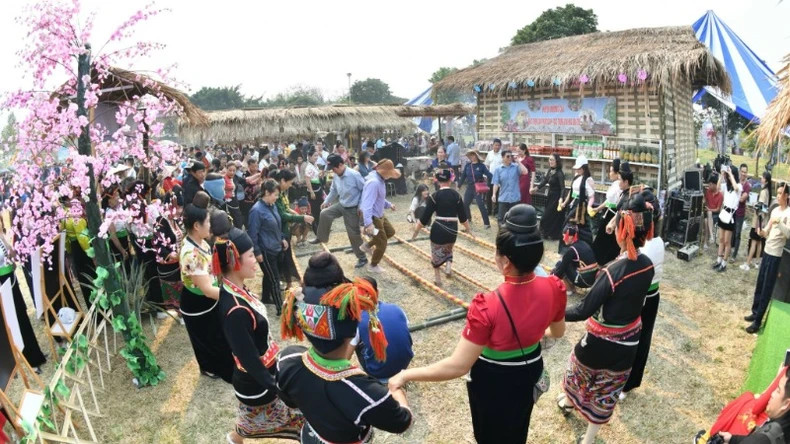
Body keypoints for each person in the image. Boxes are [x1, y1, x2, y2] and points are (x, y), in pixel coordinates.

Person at [390, 204, 566, 443]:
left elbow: (458, 366)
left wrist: (406, 375)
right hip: (530, 369)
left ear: (505, 262)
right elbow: (558, 331)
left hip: (494, 380)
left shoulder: (487, 306)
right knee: (518, 423)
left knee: (490, 432)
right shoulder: (555, 287)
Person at [279, 253, 413, 443]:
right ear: (353, 326)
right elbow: (402, 422)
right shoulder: (366, 392)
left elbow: (289, 401)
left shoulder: (286, 360)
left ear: (303, 324)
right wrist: (398, 392)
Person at [558, 194, 655, 444]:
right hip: (630, 342)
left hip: (601, 342)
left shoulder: (613, 271)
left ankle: (569, 402)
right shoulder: (647, 265)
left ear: (623, 230)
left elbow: (584, 309)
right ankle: (589, 438)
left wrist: (555, 313)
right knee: (608, 389)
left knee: (578, 371)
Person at [214, 229, 305, 443]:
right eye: (250, 255)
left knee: (252, 423)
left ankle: (235, 438)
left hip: (262, 376)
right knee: (302, 420)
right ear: (234, 262)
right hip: (259, 385)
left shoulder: (236, 291)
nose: (256, 259)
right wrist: (279, 388)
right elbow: (249, 360)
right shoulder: (235, 310)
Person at [179, 203, 234, 382]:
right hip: (198, 301)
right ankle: (208, 368)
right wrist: (234, 294)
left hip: (208, 297)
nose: (211, 225)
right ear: (197, 225)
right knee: (205, 338)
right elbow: (207, 290)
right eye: (208, 222)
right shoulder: (191, 255)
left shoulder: (201, 242)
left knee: (216, 334)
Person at [621, 188, 664, 399]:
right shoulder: (659, 242)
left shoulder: (643, 251)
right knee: (642, 339)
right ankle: (629, 382)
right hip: (652, 297)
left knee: (632, 340)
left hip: (641, 297)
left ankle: (625, 383)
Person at [0, 216, 46, 372]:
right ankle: (28, 361)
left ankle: (36, 355)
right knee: (14, 322)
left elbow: (12, 256)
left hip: (11, 279)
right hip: (2, 284)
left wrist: (3, 238)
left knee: (22, 316)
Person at [411, 167, 471, 287]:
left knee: (436, 252)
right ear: (450, 180)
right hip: (452, 228)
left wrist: (416, 231)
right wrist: (469, 230)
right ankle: (448, 266)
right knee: (448, 248)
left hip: (438, 227)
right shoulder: (456, 195)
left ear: (438, 181)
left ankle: (438, 278)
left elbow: (424, 217)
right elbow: (463, 217)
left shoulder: (434, 196)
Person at [744, 182, 790, 334]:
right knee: (760, 283)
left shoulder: (788, 213)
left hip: (775, 255)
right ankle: (755, 312)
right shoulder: (775, 210)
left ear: (787, 196)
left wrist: (779, 223)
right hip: (767, 251)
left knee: (767, 288)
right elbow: (767, 231)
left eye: (781, 193)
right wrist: (761, 232)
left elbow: (788, 234)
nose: (778, 196)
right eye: (777, 193)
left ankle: (758, 322)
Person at [311, 154, 368, 269]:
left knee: (353, 234)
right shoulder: (336, 176)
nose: (333, 171)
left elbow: (365, 190)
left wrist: (361, 206)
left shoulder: (354, 175)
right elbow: (333, 190)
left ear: (341, 165)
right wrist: (327, 201)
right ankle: (321, 237)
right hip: (342, 204)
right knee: (325, 213)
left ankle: (362, 257)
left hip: (353, 208)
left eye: (334, 168)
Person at [353, 277, 413, 382]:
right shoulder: (396, 308)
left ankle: (373, 374)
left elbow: (346, 355)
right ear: (377, 292)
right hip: (404, 366)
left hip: (378, 372)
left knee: (355, 340)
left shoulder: (357, 320)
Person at [713, 366, 790, 444]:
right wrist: (732, 439)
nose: (772, 394)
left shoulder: (764, 438)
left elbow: (757, 408)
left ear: (786, 404)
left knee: (746, 399)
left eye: (778, 390)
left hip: (759, 426)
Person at [248, 180, 287, 316]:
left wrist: (282, 238)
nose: (277, 197)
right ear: (266, 193)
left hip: (276, 247)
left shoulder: (272, 206)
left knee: (269, 275)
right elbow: (252, 234)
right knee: (275, 279)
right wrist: (257, 252)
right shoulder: (256, 211)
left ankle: (265, 298)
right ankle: (281, 309)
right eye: (275, 194)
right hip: (266, 250)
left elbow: (277, 224)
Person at [273, 170, 314, 287]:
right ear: (282, 181)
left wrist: (295, 213)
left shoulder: (282, 192)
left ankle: (288, 281)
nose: (291, 185)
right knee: (283, 258)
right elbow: (282, 215)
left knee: (287, 257)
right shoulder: (275, 195)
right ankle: (283, 281)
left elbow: (285, 208)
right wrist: (302, 218)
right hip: (279, 230)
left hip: (285, 229)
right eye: (290, 182)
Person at [359, 159, 400, 273]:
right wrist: (368, 223)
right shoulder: (374, 182)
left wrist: (389, 204)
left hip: (380, 215)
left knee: (390, 232)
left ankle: (367, 245)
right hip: (374, 218)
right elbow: (366, 204)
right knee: (382, 242)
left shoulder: (380, 180)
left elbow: (380, 198)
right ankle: (373, 265)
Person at [153, 187, 184, 310]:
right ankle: (175, 310)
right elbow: (157, 244)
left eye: (181, 207)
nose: (180, 210)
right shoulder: (160, 222)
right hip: (168, 264)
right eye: (178, 207)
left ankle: (182, 310)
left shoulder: (176, 220)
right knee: (172, 290)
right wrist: (169, 254)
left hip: (179, 262)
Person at [590, 159, 624, 265]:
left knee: (608, 240)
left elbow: (617, 204)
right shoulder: (615, 184)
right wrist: (598, 209)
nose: (609, 174)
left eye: (611, 171)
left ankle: (604, 261)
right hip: (609, 212)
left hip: (614, 215)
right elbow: (609, 201)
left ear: (617, 173)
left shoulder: (620, 186)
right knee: (603, 239)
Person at [558, 155, 595, 252]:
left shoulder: (588, 180)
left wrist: (589, 207)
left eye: (579, 168)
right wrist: (565, 203)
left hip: (581, 206)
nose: (577, 170)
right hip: (572, 204)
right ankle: (567, 248)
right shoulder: (576, 177)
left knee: (578, 226)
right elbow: (571, 192)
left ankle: (581, 248)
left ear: (584, 168)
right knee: (569, 225)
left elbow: (591, 196)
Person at [63, 198, 95, 307]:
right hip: (83, 249)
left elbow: (65, 237)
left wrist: (69, 250)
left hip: (74, 248)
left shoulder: (65, 215)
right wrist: (92, 254)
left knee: (82, 278)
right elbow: (82, 238)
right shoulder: (76, 217)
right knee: (90, 275)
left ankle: (90, 304)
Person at [552, 223, 599, 295]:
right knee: (566, 262)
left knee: (560, 264)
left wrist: (552, 276)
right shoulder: (584, 243)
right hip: (593, 279)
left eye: (564, 236)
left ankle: (569, 290)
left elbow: (560, 269)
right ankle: (572, 287)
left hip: (584, 281)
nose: (563, 239)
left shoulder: (572, 250)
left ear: (570, 237)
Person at [741, 172, 772, 271]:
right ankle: (757, 262)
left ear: (766, 180)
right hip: (763, 221)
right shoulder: (768, 191)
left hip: (758, 221)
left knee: (753, 242)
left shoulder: (763, 192)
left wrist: (754, 204)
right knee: (759, 242)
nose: (761, 179)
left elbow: (761, 207)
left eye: (763, 177)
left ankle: (747, 263)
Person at [713, 165, 742, 272]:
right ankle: (718, 260)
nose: (728, 177)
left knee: (727, 241)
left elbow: (736, 188)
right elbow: (717, 187)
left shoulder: (739, 186)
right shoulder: (726, 186)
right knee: (721, 239)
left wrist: (730, 174)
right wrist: (721, 175)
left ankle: (724, 263)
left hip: (731, 215)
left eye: (729, 174)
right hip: (724, 213)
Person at [533, 153, 566, 240]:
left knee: (547, 216)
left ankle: (547, 233)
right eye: (549, 159)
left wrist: (561, 199)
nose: (550, 161)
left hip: (556, 197)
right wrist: (536, 188)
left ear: (557, 161)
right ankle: (547, 234)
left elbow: (563, 188)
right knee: (550, 216)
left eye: (552, 160)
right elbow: (545, 181)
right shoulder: (550, 170)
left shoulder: (559, 173)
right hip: (550, 196)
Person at [492, 149, 528, 223]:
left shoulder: (516, 167)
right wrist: (494, 194)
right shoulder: (498, 169)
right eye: (507, 156)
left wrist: (518, 162)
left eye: (511, 156)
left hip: (515, 199)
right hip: (503, 198)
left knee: (514, 220)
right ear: (502, 157)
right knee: (501, 220)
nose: (510, 158)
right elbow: (496, 183)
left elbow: (525, 172)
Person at [102, 184, 132, 273]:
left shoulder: (119, 209)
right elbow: (113, 236)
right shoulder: (109, 214)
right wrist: (122, 250)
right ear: (109, 201)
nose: (118, 198)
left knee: (129, 266)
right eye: (116, 196)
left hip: (125, 241)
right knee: (123, 269)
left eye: (119, 195)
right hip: (118, 244)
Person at [459, 150, 492, 229]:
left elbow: (489, 175)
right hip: (469, 187)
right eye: (470, 155)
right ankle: (468, 218)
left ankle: (487, 223)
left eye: (473, 155)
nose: (472, 157)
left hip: (478, 188)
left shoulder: (481, 166)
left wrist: (496, 180)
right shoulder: (468, 165)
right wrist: (459, 185)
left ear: (477, 156)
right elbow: (463, 176)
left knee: (481, 205)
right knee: (465, 204)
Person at [732, 163, 751, 260]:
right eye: (742, 171)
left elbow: (742, 199)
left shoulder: (747, 186)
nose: (743, 174)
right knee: (731, 231)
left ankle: (734, 255)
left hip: (740, 212)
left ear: (747, 173)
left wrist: (735, 194)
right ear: (739, 171)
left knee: (738, 234)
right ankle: (729, 248)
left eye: (745, 172)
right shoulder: (735, 181)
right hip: (732, 211)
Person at [304, 147, 324, 235]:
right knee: (315, 211)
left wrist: (321, 174)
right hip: (313, 190)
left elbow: (316, 176)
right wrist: (311, 191)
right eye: (314, 156)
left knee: (320, 209)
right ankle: (317, 231)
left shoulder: (315, 165)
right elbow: (307, 180)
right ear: (309, 157)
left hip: (318, 188)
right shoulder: (308, 167)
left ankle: (321, 228)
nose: (316, 157)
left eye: (317, 156)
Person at [483, 138, 504, 215]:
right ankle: (489, 210)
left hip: (500, 177)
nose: (497, 147)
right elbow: (486, 165)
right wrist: (485, 175)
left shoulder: (502, 154)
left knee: (498, 194)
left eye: (498, 145)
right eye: (496, 145)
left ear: (500, 146)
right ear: (493, 145)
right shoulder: (489, 153)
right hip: (490, 176)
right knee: (489, 194)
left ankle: (496, 211)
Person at [704, 174, 723, 250]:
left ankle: (706, 241)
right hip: (708, 212)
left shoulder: (720, 195)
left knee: (706, 221)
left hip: (715, 214)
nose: (709, 186)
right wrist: (704, 202)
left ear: (715, 185)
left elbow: (718, 209)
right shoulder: (708, 191)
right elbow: (704, 200)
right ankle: (711, 236)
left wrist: (709, 209)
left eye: (710, 184)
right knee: (708, 215)